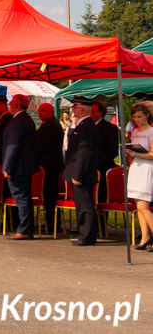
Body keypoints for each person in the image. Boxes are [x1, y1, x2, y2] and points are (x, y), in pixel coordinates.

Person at [63, 96, 102, 246]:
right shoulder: (82, 125)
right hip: (78, 171)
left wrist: (77, 174)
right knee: (81, 204)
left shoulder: (87, 126)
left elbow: (84, 152)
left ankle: (86, 235)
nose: (73, 110)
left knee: (85, 205)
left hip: (82, 173)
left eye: (75, 107)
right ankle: (85, 233)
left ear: (82, 109)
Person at [1, 94, 38, 240]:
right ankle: (27, 228)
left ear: (16, 104)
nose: (9, 104)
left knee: (21, 198)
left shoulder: (17, 121)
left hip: (18, 167)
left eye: (11, 102)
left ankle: (24, 229)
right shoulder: (27, 120)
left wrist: (7, 166)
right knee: (24, 197)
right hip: (25, 165)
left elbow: (13, 146)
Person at [127, 103, 153, 251]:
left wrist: (136, 153)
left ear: (147, 116)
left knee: (144, 206)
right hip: (136, 167)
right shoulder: (135, 131)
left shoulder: (151, 131)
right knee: (139, 206)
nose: (137, 119)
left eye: (140, 116)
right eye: (135, 117)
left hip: (147, 168)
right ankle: (145, 237)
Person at [35, 103, 64, 234]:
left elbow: (43, 145)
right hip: (47, 165)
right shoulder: (46, 124)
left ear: (51, 112)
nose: (40, 113)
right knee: (47, 197)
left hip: (50, 167)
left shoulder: (53, 126)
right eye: (39, 110)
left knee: (50, 197)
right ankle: (50, 222)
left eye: (43, 110)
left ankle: (53, 224)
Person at [92, 100, 120, 230]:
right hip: (88, 168)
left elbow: (112, 150)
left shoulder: (109, 128)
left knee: (101, 197)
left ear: (100, 113)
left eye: (93, 111)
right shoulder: (87, 127)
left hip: (103, 167)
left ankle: (101, 226)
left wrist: (97, 163)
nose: (90, 114)